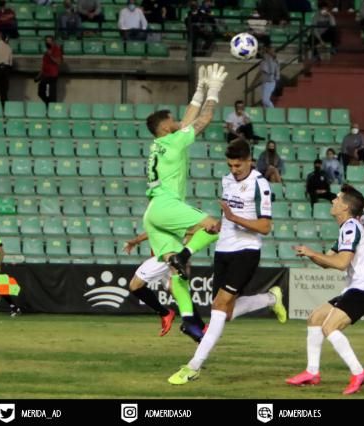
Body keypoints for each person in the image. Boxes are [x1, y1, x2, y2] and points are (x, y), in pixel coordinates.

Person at [168, 139, 287, 385]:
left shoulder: (260, 185)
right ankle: (271, 298)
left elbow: (265, 226)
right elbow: (228, 218)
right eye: (230, 165)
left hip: (246, 251)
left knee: (219, 307)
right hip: (223, 251)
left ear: (249, 161)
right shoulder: (226, 180)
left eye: (238, 166)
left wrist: (234, 217)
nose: (234, 170)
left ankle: (193, 366)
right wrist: (219, 224)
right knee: (226, 312)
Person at [143, 63, 227, 312]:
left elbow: (187, 123)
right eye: (172, 120)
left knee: (175, 270)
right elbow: (204, 120)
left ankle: (189, 319)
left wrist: (198, 92)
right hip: (167, 205)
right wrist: (213, 91)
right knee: (214, 226)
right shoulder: (173, 142)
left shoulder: (160, 143)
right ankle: (186, 254)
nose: (177, 121)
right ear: (166, 127)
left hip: (154, 210)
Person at [286, 185, 364, 395]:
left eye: (337, 199)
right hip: (356, 290)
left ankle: (359, 373)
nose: (333, 201)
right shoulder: (348, 228)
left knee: (329, 328)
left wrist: (312, 252)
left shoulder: (350, 227)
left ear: (345, 206)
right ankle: (312, 372)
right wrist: (312, 255)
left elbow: (340, 263)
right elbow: (328, 261)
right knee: (315, 318)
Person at [122, 232, 207, 342]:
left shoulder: (172, 218)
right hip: (170, 257)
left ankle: (165, 313)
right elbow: (153, 231)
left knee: (135, 286)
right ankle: (202, 327)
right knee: (178, 293)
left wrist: (134, 241)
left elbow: (191, 231)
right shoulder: (165, 218)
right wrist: (135, 241)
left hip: (165, 256)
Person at [36, 36, 63, 106]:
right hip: (45, 75)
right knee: (40, 92)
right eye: (46, 41)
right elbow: (44, 65)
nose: (47, 42)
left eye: (49, 40)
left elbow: (59, 62)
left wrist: (51, 55)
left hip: (52, 76)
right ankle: (48, 104)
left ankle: (51, 108)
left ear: (53, 41)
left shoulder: (56, 49)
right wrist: (39, 75)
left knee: (50, 94)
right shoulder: (46, 52)